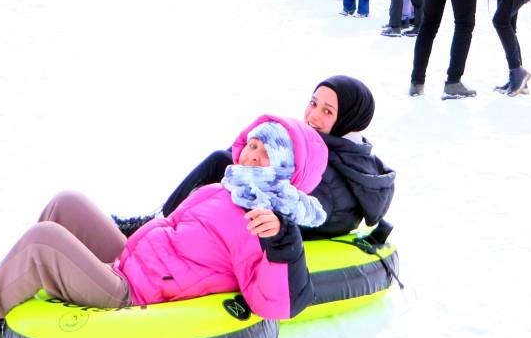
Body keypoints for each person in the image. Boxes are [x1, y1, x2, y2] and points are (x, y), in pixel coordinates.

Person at [0, 116, 329, 338]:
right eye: (253, 145)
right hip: (131, 261)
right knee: (67, 203)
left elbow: (276, 301)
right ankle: (15, 284)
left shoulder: (264, 220)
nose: (252, 156)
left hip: (136, 294)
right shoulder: (224, 185)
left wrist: (282, 241)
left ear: (284, 171)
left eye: (266, 155)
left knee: (42, 240)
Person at [122, 77, 394, 242]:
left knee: (223, 169)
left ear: (347, 119)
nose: (313, 116)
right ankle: (160, 221)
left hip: (307, 223)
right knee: (225, 162)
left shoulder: (331, 163)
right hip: (299, 212)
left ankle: (161, 225)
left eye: (327, 111)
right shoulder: (329, 144)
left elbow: (292, 203)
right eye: (313, 103)